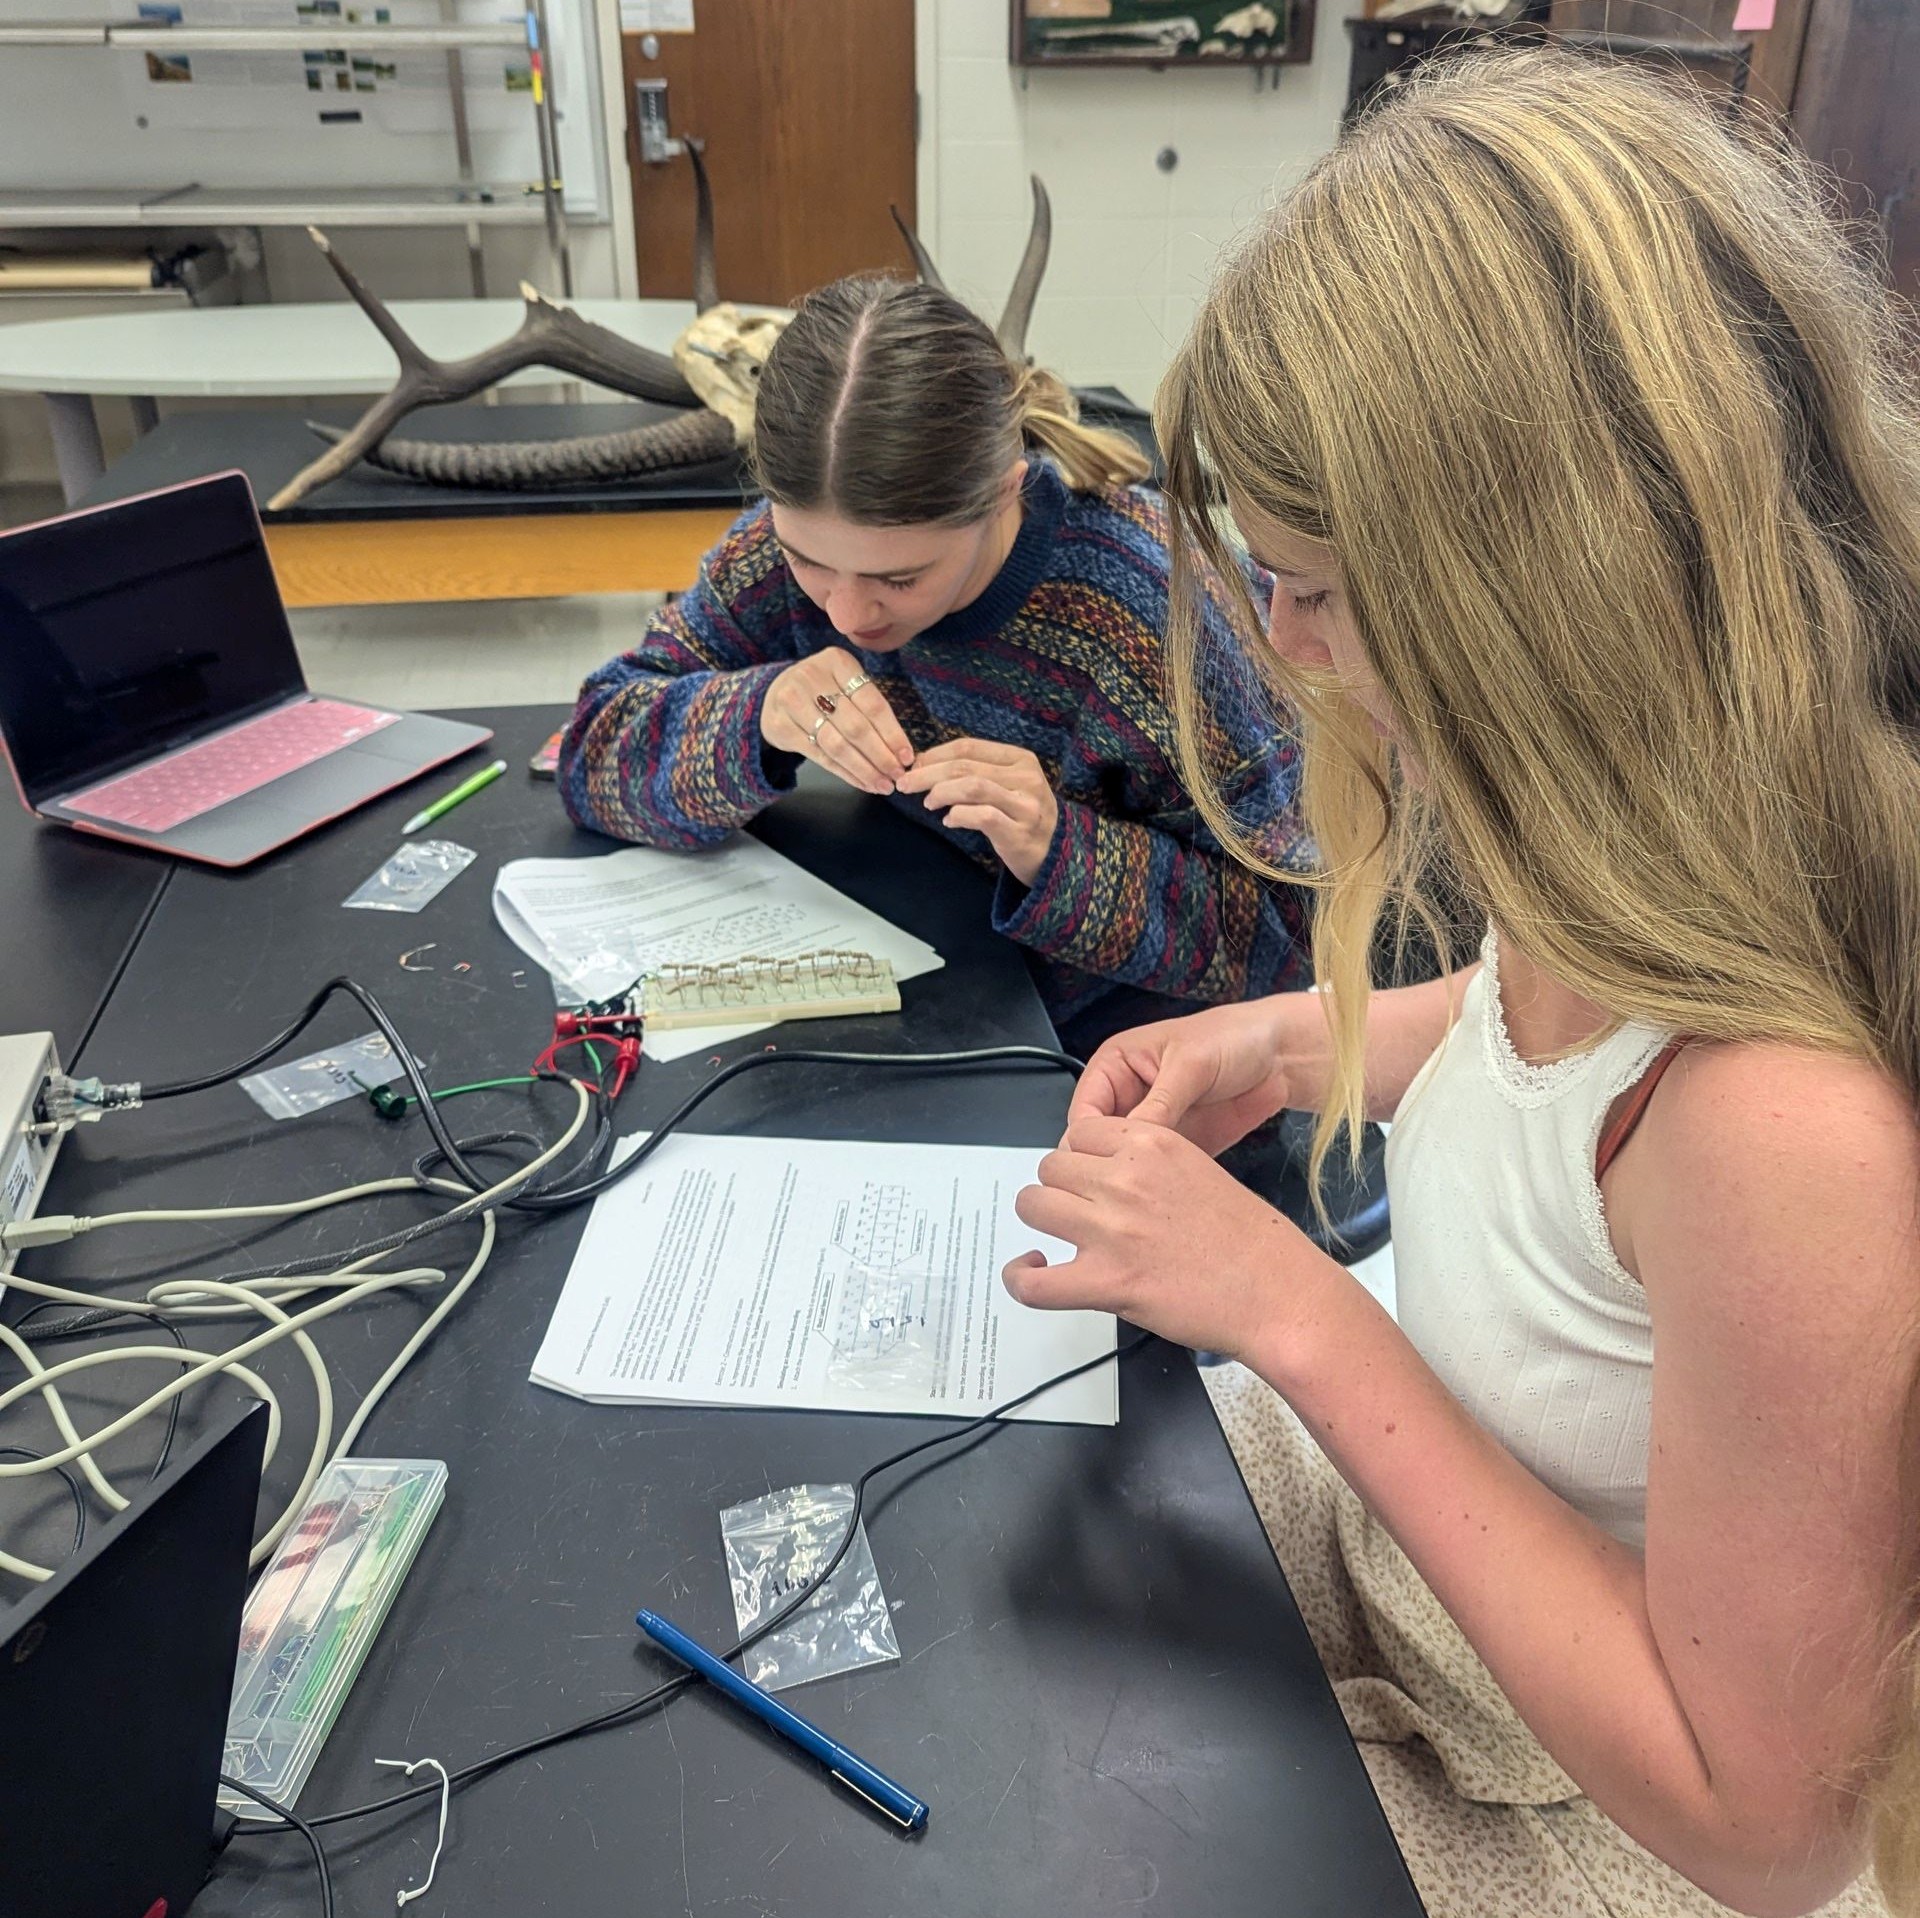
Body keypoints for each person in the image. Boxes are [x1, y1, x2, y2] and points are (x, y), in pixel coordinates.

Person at [1005, 49, 1920, 1918]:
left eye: (1318, 588)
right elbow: (1545, 1069)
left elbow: (1765, 1826)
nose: (1283, 645)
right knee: (990, 1579)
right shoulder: (1634, 841)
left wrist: (1293, 1308)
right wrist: (1287, 1040)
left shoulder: (1784, 1127)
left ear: (1535, 601)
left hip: (1599, 1813)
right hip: (1430, 1595)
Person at [558, 275, 1313, 1053]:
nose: (847, 615)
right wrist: (757, 714)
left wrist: (1061, 849)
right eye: (808, 561)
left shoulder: (1161, 614)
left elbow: (1298, 938)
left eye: (900, 578)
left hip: (1117, 1056)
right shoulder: (783, 553)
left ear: (1004, 494)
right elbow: (591, 752)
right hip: (924, 983)